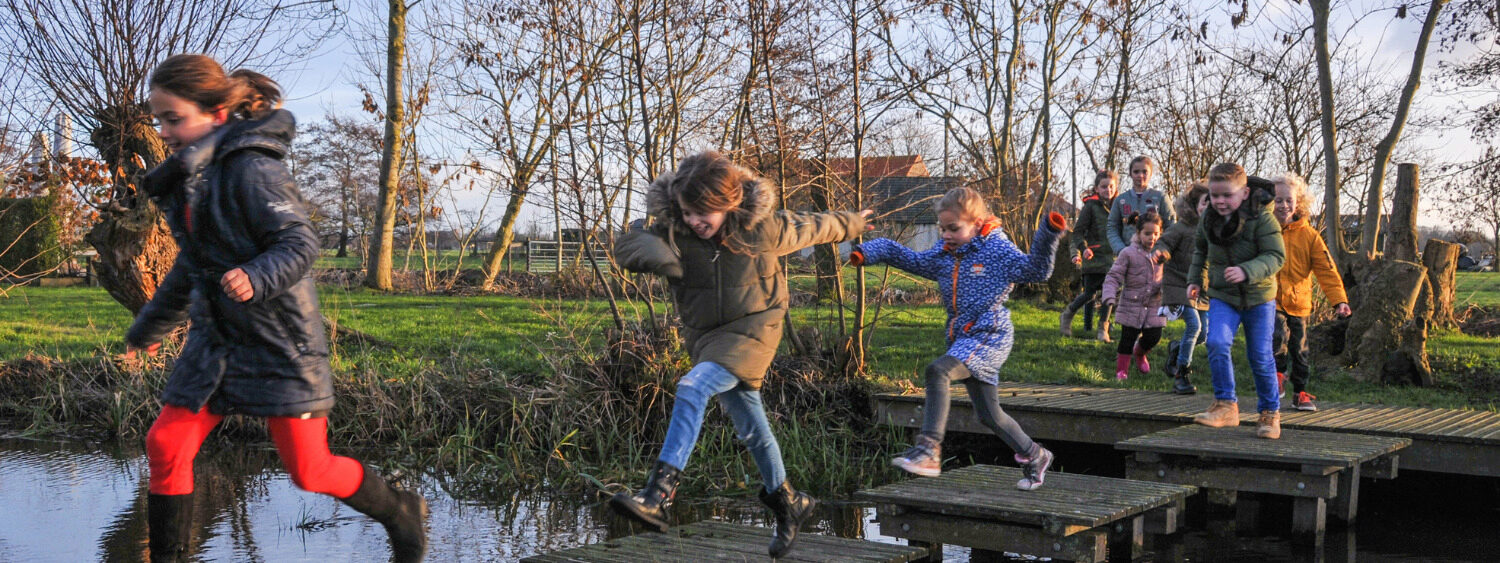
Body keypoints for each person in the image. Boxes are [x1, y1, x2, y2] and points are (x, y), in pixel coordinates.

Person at [123, 54, 426, 562]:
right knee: (166, 445)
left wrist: (255, 275)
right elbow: (189, 267)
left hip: (278, 339)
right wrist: (149, 327)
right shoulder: (190, 183)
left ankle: (401, 511)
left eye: (174, 118)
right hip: (214, 342)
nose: (165, 131)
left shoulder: (253, 170)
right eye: (159, 120)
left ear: (217, 113)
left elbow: (300, 241)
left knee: (310, 470)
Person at [609, 151, 870, 558]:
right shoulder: (676, 231)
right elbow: (629, 245)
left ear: (728, 203)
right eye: (689, 211)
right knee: (751, 423)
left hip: (755, 328)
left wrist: (852, 222)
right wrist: (661, 257)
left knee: (693, 388)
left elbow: (813, 226)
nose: (697, 220)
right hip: (707, 337)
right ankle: (789, 502)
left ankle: (658, 495)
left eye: (704, 212)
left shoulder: (760, 227)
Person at [850, 187, 1067, 491]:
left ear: (977, 224)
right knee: (989, 416)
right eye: (942, 228)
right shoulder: (944, 255)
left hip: (990, 334)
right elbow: (908, 257)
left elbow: (1037, 270)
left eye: (954, 228)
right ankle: (1036, 454)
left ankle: (928, 449)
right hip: (964, 338)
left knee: (938, 370)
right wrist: (869, 251)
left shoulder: (996, 250)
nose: (946, 234)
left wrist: (1049, 232)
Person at [1188, 163, 1286, 439]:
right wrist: (1195, 279)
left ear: (1244, 193)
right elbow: (1200, 250)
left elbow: (1276, 256)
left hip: (1259, 297)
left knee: (1260, 356)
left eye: (1226, 195)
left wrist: (1247, 271)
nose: (1219, 201)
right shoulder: (1209, 218)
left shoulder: (1263, 219)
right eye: (1214, 195)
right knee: (1217, 342)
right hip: (1223, 296)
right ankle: (1226, 405)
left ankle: (1269, 412)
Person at [1271, 173, 1352, 412]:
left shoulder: (1309, 236)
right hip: (1271, 299)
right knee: (1276, 336)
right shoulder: (1265, 230)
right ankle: (1276, 376)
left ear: (1298, 203)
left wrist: (1339, 301)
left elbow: (1326, 270)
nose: (1283, 205)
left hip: (1300, 303)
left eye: (1288, 200)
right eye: (1277, 200)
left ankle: (1300, 392)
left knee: (1300, 350)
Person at [1157, 182, 1211, 394]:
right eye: (1204, 203)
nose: (1209, 207)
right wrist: (1161, 253)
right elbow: (1164, 243)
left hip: (1202, 290)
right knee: (1194, 326)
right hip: (1179, 284)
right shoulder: (1181, 227)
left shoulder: (1214, 231)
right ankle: (1182, 374)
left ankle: (1176, 348)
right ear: (1193, 205)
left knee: (1204, 334)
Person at [1102, 210, 1167, 381]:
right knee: (1127, 338)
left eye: (1155, 234)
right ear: (1138, 233)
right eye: (1147, 233)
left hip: (1154, 304)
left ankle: (1140, 352)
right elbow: (1114, 275)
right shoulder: (1128, 253)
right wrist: (1109, 296)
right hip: (1132, 303)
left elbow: (1172, 276)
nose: (1152, 238)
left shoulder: (1162, 254)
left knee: (1154, 336)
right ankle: (1121, 371)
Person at [1062, 171, 1119, 342]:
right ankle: (1067, 315)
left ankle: (1103, 329)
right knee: (1089, 294)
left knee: (1110, 294)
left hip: (1113, 259)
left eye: (1111, 186)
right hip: (1094, 257)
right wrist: (1083, 248)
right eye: (1104, 186)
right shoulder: (1091, 207)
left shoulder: (1119, 207)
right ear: (1096, 188)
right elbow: (1078, 232)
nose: (1107, 190)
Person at [1107, 156, 1176, 254]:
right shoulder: (1121, 200)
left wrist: (1161, 249)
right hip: (1128, 255)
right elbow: (1112, 227)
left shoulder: (1160, 197)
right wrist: (1121, 249)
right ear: (1130, 173)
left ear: (1151, 173)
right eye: (1136, 172)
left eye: (1145, 172)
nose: (1140, 175)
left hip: (1154, 256)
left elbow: (1171, 226)